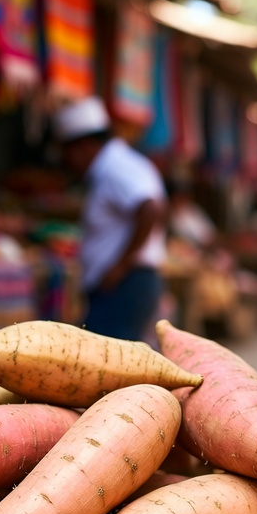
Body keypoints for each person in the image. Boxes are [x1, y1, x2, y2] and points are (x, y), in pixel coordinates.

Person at [52, 96, 167, 341]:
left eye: (68, 153)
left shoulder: (116, 166)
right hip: (123, 284)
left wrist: (120, 266)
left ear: (84, 146)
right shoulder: (115, 165)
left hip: (125, 285)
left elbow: (150, 209)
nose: (68, 162)